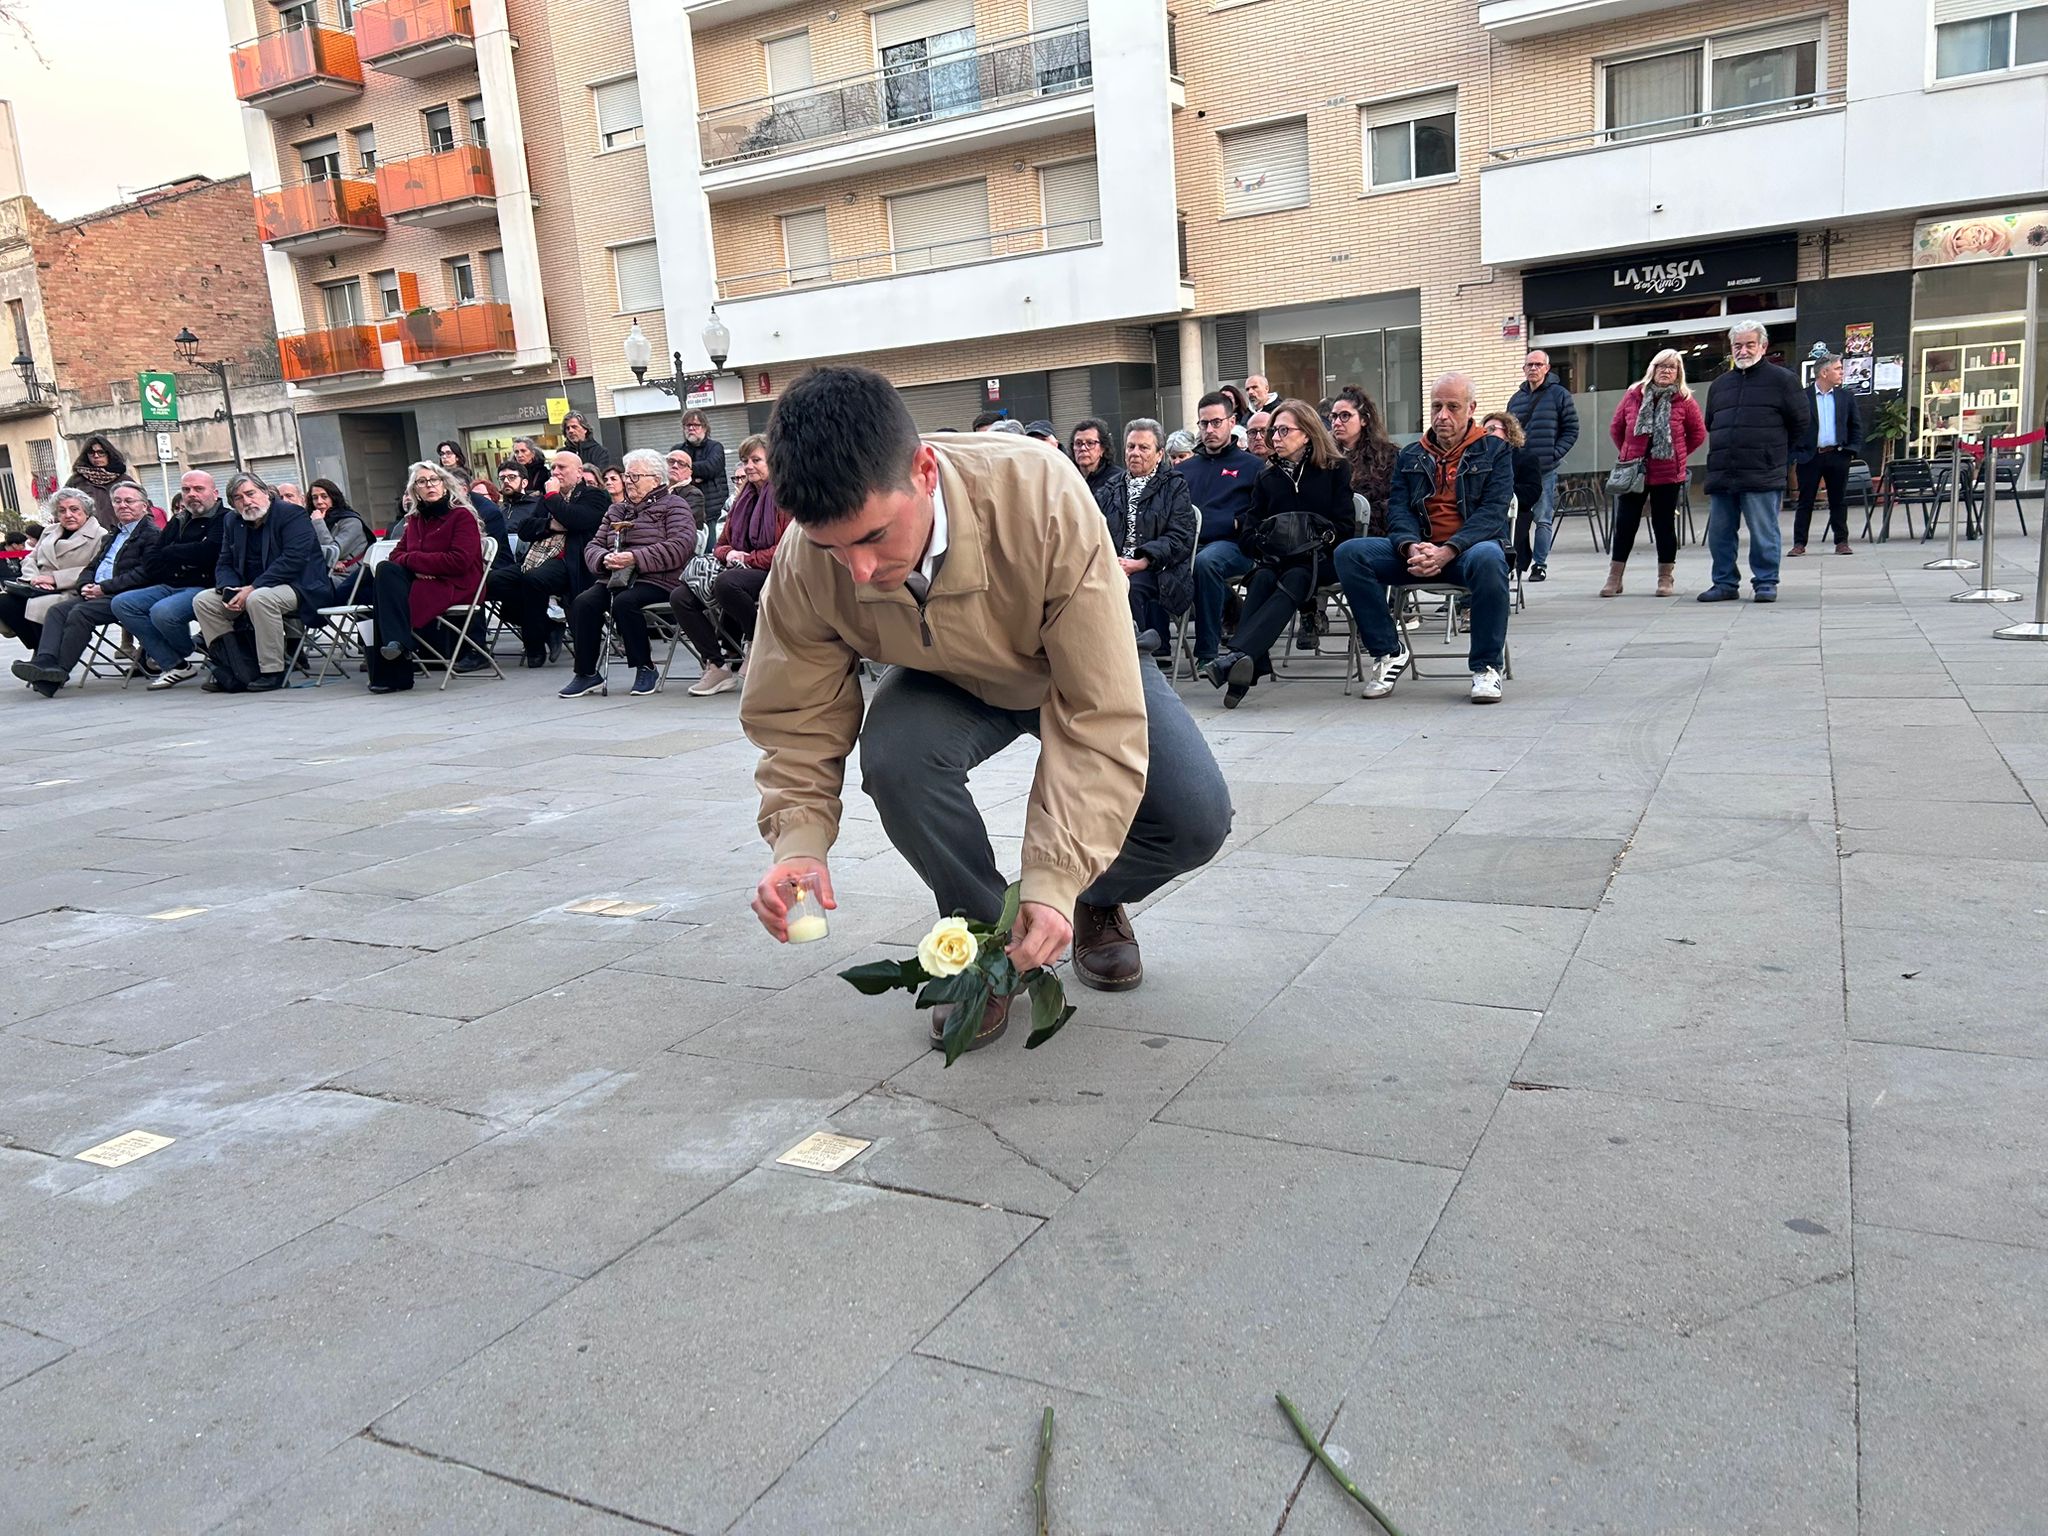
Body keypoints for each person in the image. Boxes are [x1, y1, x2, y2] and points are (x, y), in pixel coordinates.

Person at [742, 365, 1233, 1052]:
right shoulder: (805, 561)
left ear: (922, 470)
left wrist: (1058, 874)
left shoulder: (1041, 493)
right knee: (895, 758)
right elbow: (795, 714)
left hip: (1072, 664)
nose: (857, 570)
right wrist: (798, 842)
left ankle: (1080, 900)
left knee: (1196, 819)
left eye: (875, 536)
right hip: (945, 677)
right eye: (833, 547)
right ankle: (978, 941)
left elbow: (1097, 711)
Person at [1336, 372, 1514, 704]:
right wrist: (1409, 546)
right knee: (1350, 553)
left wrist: (1449, 550)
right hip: (1418, 553)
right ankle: (1389, 652)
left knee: (1492, 557)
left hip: (1469, 553)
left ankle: (1486, 668)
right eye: (1436, 406)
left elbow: (1492, 513)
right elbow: (1399, 508)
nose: (1442, 415)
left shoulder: (1495, 451)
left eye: (1452, 406)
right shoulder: (1412, 454)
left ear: (1471, 408)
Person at [1200, 399, 1351, 708]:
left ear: (1307, 433)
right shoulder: (1268, 477)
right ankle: (1245, 663)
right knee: (1262, 578)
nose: (1275, 438)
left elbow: (1345, 526)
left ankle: (1237, 658)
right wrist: (1263, 543)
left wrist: (1314, 542)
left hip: (1321, 560)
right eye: (1273, 431)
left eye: (1283, 430)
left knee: (1295, 577)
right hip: (1277, 559)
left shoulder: (1335, 469)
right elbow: (1249, 530)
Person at [557, 449, 698, 699]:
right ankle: (587, 673)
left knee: (625, 602)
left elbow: (680, 546)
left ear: (656, 479)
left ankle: (645, 667)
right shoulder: (617, 511)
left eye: (635, 477)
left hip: (659, 578)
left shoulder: (675, 505)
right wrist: (604, 558)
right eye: (627, 476)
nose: (628, 482)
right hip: (617, 576)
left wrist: (635, 558)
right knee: (583, 602)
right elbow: (593, 545)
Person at [11, 480, 160, 696]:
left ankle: (57, 673)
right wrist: (85, 585)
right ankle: (45, 661)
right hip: (96, 591)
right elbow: (91, 567)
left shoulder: (151, 534)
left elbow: (144, 574)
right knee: (57, 610)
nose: (122, 505)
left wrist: (104, 588)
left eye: (129, 501)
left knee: (79, 613)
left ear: (144, 506)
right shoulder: (115, 533)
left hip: (123, 595)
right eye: (117, 501)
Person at [1699, 321, 1807, 604]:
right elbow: (1712, 423)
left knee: (1763, 531)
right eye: (1738, 345)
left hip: (1762, 470)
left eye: (1749, 344)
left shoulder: (1783, 381)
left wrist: (1774, 455)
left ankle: (1766, 582)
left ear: (1763, 346)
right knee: (1720, 533)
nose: (1743, 350)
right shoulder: (1720, 385)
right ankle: (1724, 583)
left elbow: (1800, 423)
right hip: (1724, 470)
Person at [192, 473, 332, 693]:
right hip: (249, 587)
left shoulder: (291, 514)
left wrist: (252, 588)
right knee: (204, 601)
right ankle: (236, 669)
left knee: (260, 599)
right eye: (239, 498)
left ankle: (272, 671)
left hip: (299, 585)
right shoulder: (232, 521)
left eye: (250, 493)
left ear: (265, 493)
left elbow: (294, 560)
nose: (247, 501)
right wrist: (229, 590)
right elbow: (224, 562)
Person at [365, 463, 486, 693]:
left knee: (390, 600)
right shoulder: (416, 520)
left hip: (456, 584)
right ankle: (397, 644)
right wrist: (417, 565)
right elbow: (396, 555)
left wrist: (414, 561)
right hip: (424, 581)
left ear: (444, 484)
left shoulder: (461, 516)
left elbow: (458, 561)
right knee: (385, 571)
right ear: (415, 490)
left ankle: (395, 666)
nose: (429, 485)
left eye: (434, 480)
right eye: (422, 482)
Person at [682, 434, 786, 697]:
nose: (748, 466)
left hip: (777, 571)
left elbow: (787, 548)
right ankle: (717, 665)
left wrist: (746, 559)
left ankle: (758, 643)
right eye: (744, 461)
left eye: (755, 460)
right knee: (680, 596)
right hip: (739, 570)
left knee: (727, 583)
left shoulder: (786, 497)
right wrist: (729, 554)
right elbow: (721, 543)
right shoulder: (742, 499)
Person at [485, 449, 608, 666]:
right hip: (537, 557)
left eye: (562, 467)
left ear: (579, 472)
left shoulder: (593, 496)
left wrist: (552, 497)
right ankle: (549, 624)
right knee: (491, 582)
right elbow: (525, 529)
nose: (556, 472)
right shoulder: (546, 500)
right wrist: (550, 524)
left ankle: (535, 646)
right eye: (553, 468)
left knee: (534, 579)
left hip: (573, 562)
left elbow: (576, 520)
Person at [1603, 350, 1707, 597]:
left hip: (1667, 473)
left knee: (1664, 524)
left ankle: (1665, 578)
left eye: (1672, 367)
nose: (1666, 371)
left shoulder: (1685, 400)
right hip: (1633, 471)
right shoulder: (1633, 395)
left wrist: (1677, 454)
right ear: (1652, 368)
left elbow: (1698, 434)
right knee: (1625, 524)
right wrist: (1630, 452)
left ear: (1678, 373)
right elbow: (1616, 428)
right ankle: (1614, 578)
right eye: (1662, 366)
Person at [114, 470, 228, 689]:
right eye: (186, 490)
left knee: (163, 612)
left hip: (204, 587)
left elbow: (210, 552)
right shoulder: (178, 520)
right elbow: (153, 557)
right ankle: (176, 664)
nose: (192, 494)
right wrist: (183, 557)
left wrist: (173, 552)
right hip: (170, 583)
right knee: (122, 603)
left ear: (214, 492)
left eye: (198, 489)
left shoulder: (225, 518)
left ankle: (194, 649)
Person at [1092, 419, 1195, 661]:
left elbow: (1180, 537)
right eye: (1130, 447)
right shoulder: (1111, 488)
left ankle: (1135, 660)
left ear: (1160, 454)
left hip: (1160, 569)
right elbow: (1093, 529)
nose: (1135, 453)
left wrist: (1143, 561)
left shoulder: (1175, 486)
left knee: (1129, 588)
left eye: (1143, 448)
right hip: (1115, 565)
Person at [1183, 390, 1265, 670]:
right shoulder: (1185, 470)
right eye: (1203, 424)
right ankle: (1153, 648)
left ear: (1232, 422)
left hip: (1235, 547)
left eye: (1216, 422)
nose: (1209, 430)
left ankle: (1207, 652)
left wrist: (1226, 523)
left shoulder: (1253, 466)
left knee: (1206, 563)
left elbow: (1258, 516)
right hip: (1189, 545)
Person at [0, 490, 106, 661]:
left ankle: (45, 658)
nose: (68, 515)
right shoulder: (49, 531)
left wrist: (55, 579)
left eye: (74, 509)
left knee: (40, 605)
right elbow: (30, 559)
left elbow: (96, 569)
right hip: (37, 587)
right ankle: (41, 650)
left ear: (86, 511)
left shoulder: (100, 535)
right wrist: (33, 578)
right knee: (4, 602)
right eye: (62, 511)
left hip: (72, 590)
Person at [1504, 349, 1579, 582]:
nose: (1533, 368)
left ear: (1547, 368)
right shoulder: (1516, 399)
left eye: (1538, 364)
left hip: (1545, 468)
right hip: (1520, 470)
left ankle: (1540, 564)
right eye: (1529, 365)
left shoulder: (1559, 395)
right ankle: (1515, 561)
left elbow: (1572, 429)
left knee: (1543, 518)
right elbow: (1508, 432)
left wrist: (1554, 453)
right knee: (1517, 517)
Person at [1790, 350, 1862, 558]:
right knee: (1805, 500)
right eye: (1838, 369)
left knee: (1838, 499)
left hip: (1837, 454)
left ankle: (1841, 541)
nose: (1842, 373)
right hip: (1810, 456)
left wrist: (1851, 450)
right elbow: (1793, 425)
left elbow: (1855, 425)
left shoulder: (1845, 397)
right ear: (1824, 372)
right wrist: (1796, 452)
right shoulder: (1803, 397)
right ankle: (1799, 543)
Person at [1481, 412, 1546, 576]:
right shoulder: (1477, 461)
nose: (1487, 434)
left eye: (1492, 429)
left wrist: (1502, 492)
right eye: (1484, 430)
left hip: (1512, 516)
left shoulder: (1526, 458)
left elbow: (1532, 491)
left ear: (1508, 432)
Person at [306, 479, 372, 581]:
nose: (319, 502)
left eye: (324, 497)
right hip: (320, 573)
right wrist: (330, 562)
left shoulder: (351, 521)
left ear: (333, 498)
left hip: (345, 578)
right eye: (315, 498)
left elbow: (333, 552)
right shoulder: (312, 521)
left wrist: (319, 523)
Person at [63, 434, 130, 529]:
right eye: (91, 452)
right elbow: (61, 507)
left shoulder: (124, 481)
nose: (96, 456)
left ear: (109, 454)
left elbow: (143, 508)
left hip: (121, 535)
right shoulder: (77, 481)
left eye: (101, 452)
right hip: (87, 536)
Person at [675, 410, 728, 523]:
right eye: (688, 425)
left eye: (696, 425)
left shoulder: (715, 447)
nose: (691, 428)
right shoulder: (677, 450)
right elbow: (673, 474)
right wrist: (697, 476)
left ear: (704, 427)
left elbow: (711, 468)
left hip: (713, 512)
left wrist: (686, 471)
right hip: (686, 511)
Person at [1069, 417, 1116, 497]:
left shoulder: (1115, 480)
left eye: (1090, 443)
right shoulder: (1068, 477)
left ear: (1103, 448)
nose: (1083, 448)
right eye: (1078, 443)